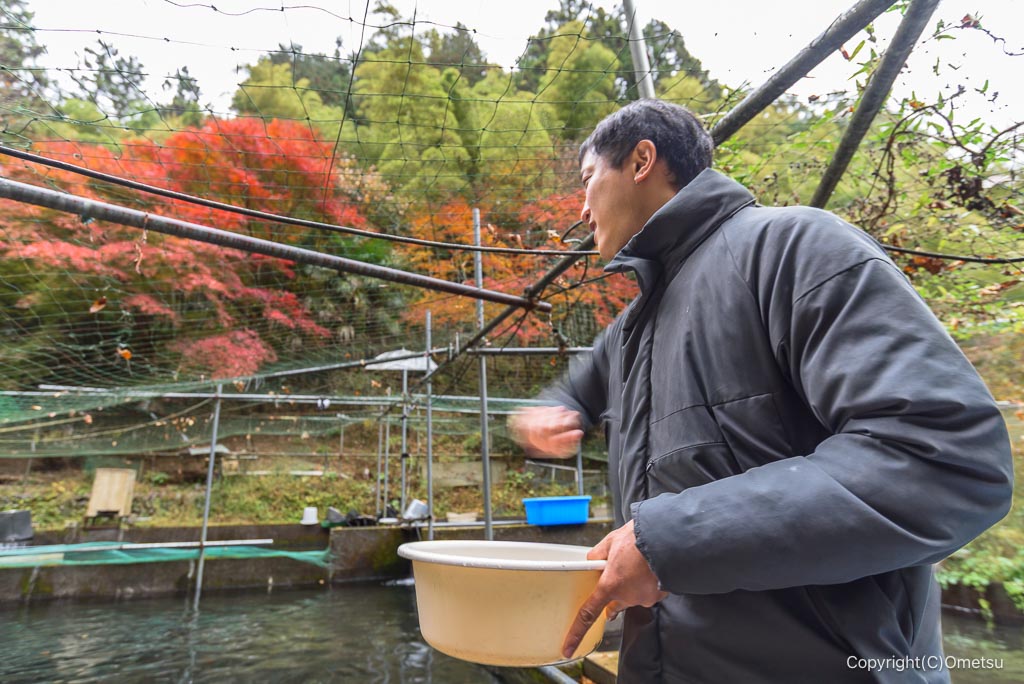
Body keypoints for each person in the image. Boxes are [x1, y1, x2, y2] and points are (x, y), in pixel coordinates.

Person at [509, 99, 1013, 683]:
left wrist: (670, 541)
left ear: (642, 160)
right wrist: (555, 412)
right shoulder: (631, 329)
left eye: (588, 179)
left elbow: (945, 461)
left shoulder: (794, 248)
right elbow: (577, 388)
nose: (581, 206)